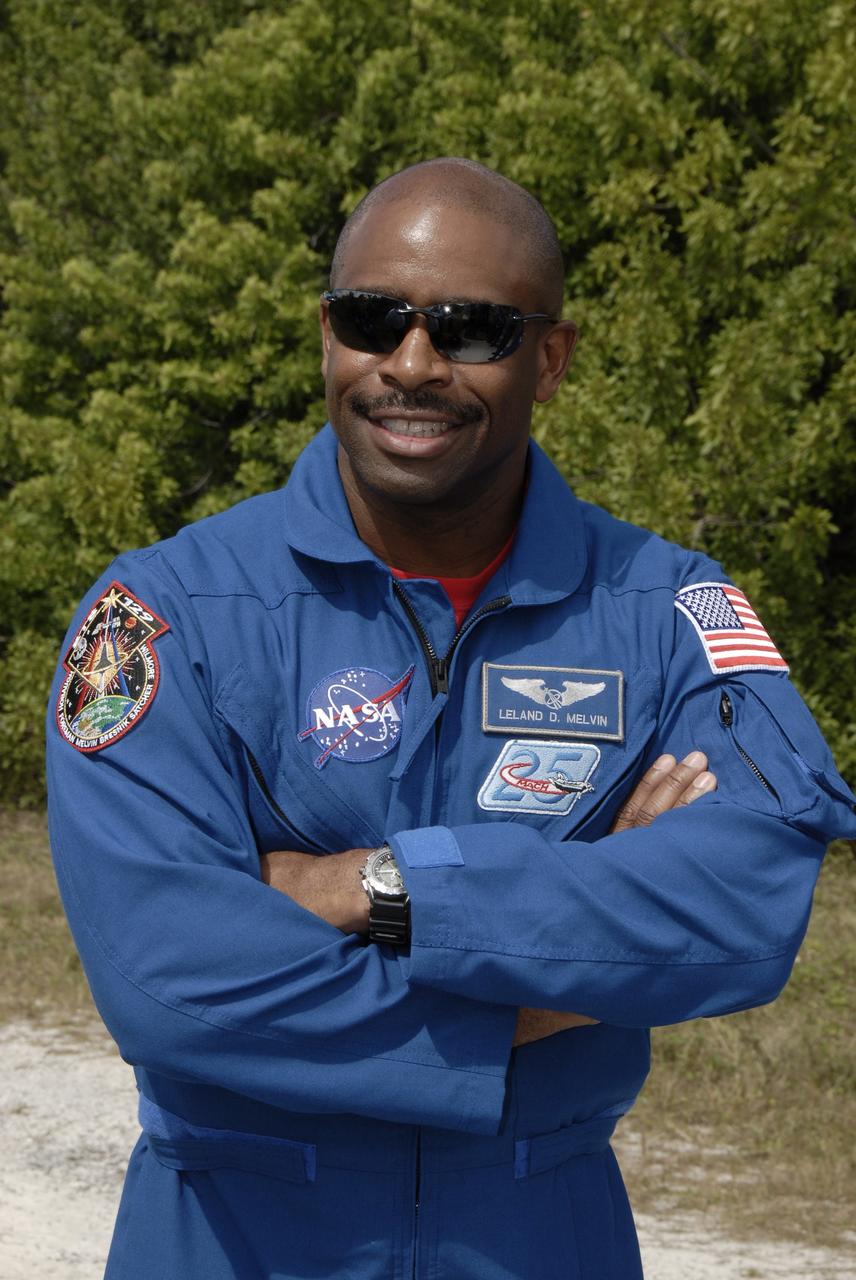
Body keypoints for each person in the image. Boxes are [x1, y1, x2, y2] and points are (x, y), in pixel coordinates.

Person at [46, 157, 856, 1280]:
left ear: (550, 357)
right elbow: (171, 984)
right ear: (327, 333)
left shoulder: (668, 608)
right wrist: (557, 972)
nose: (411, 364)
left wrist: (368, 885)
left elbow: (742, 904)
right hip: (232, 1233)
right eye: (372, 318)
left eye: (472, 328)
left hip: (543, 1227)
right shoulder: (164, 615)